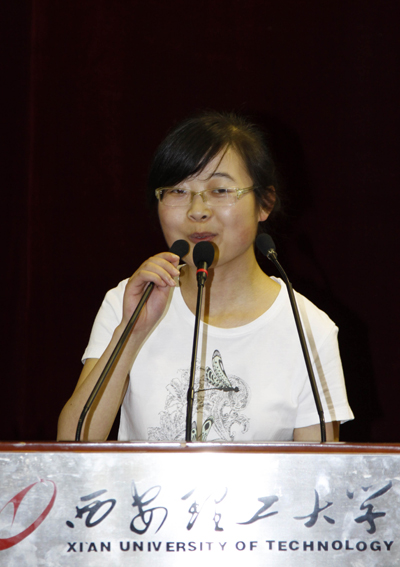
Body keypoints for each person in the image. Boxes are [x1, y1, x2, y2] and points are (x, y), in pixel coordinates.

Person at [57, 111, 353, 442]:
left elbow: (320, 470)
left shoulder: (310, 329)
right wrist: (131, 331)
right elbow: (72, 447)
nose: (197, 210)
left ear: (264, 203)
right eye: (177, 191)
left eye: (220, 190)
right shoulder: (130, 302)